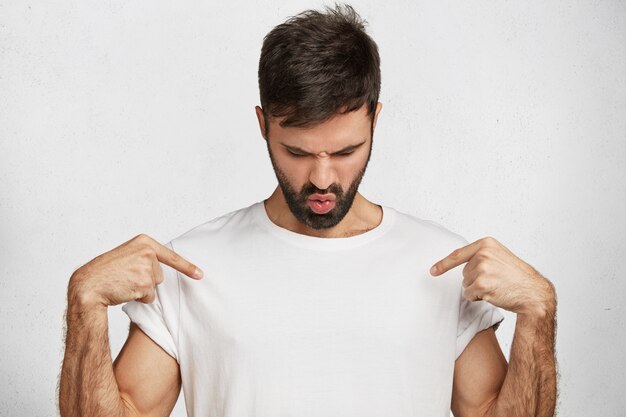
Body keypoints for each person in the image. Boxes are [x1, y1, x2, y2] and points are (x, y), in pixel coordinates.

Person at [59, 3, 557, 417]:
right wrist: (84, 307)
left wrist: (538, 312)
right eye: (297, 153)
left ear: (375, 121)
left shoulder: (444, 263)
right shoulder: (190, 266)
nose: (322, 179)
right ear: (262, 125)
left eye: (344, 152)